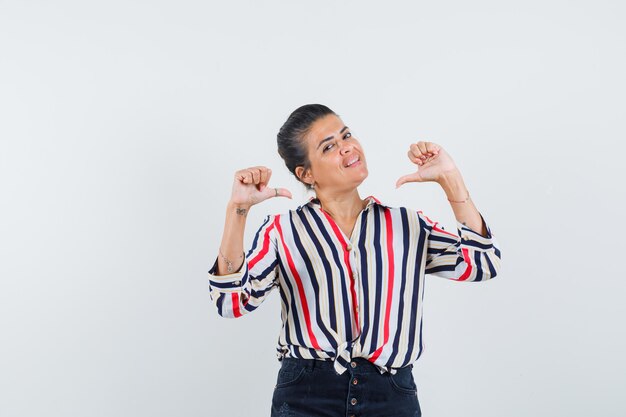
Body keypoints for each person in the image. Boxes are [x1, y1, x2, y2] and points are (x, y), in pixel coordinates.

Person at [208, 104, 502, 417]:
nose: (347, 146)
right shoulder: (283, 231)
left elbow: (483, 264)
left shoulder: (407, 224)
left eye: (346, 135)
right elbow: (230, 303)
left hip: (391, 395)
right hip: (306, 395)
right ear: (305, 173)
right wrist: (237, 210)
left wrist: (450, 179)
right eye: (329, 146)